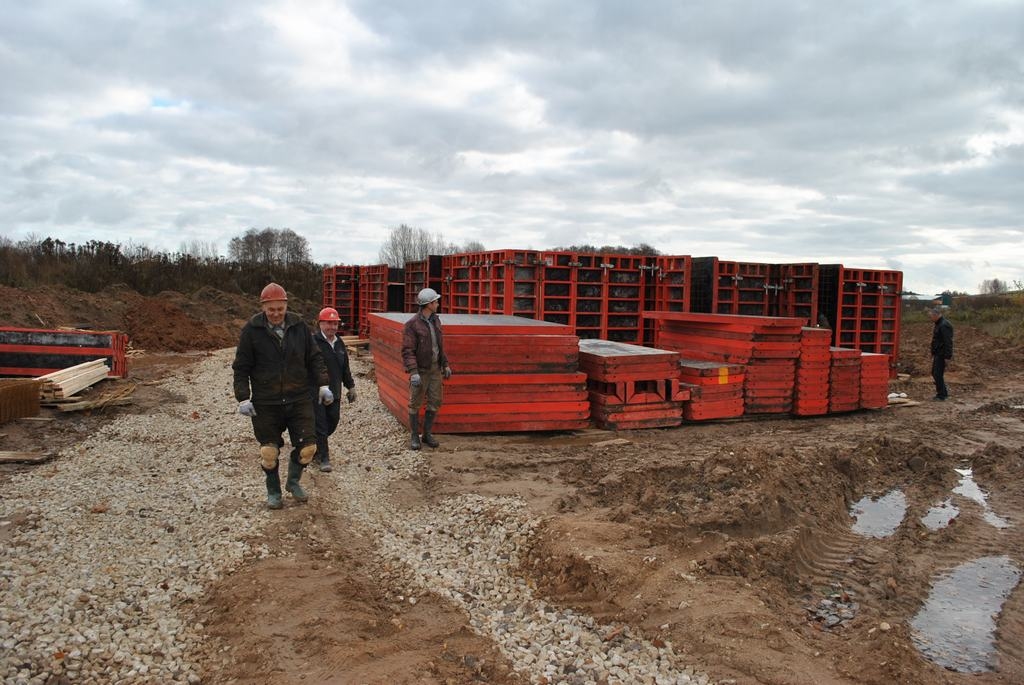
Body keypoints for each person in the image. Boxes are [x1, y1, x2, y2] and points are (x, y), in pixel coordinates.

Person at [232, 282, 333, 509]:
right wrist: (243, 397)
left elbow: (315, 358)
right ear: (263, 307)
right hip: (267, 402)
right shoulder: (251, 330)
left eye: (280, 309)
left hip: (298, 398)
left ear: (286, 306)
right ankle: (274, 491)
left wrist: (323, 385)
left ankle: (293, 482)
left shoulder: (299, 327)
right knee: (269, 452)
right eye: (271, 309)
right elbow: (241, 367)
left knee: (308, 448)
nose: (276, 314)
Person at [401, 287, 452, 450]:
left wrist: (445, 364)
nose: (438, 303)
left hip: (435, 370)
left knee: (435, 402)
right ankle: (415, 436)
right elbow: (407, 350)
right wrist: (414, 372)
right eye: (435, 301)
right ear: (428, 304)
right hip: (421, 371)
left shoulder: (436, 320)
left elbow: (439, 346)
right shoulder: (412, 325)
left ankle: (427, 434)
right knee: (415, 403)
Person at [310, 307, 357, 472]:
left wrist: (350, 386)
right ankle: (324, 458)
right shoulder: (313, 342)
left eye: (335, 323)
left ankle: (315, 444)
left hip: (334, 391)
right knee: (321, 424)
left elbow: (345, 368)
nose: (332, 327)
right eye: (329, 323)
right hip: (316, 392)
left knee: (333, 421)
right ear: (320, 323)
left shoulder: (339, 343)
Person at [928, 306, 953, 401]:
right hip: (938, 352)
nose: (930, 319)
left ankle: (941, 395)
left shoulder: (944, 325)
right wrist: (932, 352)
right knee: (935, 373)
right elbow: (936, 340)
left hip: (942, 353)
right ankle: (943, 393)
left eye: (931, 317)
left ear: (936, 315)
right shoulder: (938, 324)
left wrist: (947, 356)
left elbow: (948, 342)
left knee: (937, 374)